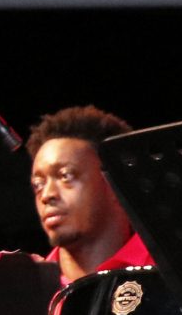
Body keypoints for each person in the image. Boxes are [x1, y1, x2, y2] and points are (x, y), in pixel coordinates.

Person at [26, 105, 150, 281]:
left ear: (115, 181)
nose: (47, 195)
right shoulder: (29, 288)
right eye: (38, 184)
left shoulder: (170, 271)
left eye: (65, 176)